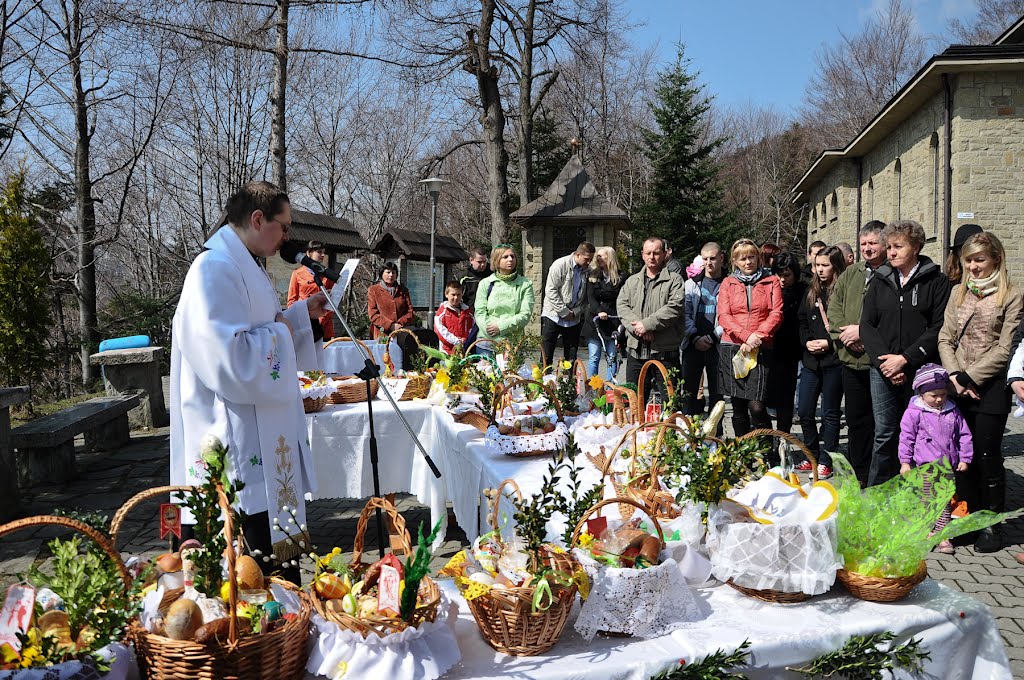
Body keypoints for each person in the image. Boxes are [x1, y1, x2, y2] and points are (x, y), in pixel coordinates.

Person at [170, 181, 326, 584]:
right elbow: (230, 360)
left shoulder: (245, 264)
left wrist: (299, 315)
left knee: (271, 574)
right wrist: (279, 333)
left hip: (256, 429)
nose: (287, 236)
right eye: (283, 225)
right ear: (258, 219)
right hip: (233, 437)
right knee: (242, 579)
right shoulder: (213, 269)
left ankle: (281, 635)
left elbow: (264, 330)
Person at [939, 231, 1023, 553]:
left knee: (987, 457)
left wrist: (971, 377)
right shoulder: (957, 292)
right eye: (969, 260)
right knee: (962, 457)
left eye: (979, 260)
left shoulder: (1011, 295)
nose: (973, 267)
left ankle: (991, 524)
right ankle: (968, 517)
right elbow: (945, 337)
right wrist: (956, 377)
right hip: (957, 383)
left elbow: (1006, 347)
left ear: (996, 260)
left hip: (990, 387)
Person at [860, 220, 951, 486]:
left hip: (921, 369)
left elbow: (938, 327)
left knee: (923, 433)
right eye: (888, 247)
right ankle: (879, 495)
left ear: (916, 247)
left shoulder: (936, 281)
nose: (891, 252)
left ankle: (921, 495)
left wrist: (905, 359)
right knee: (885, 433)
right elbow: (867, 325)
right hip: (883, 369)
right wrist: (885, 362)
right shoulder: (880, 279)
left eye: (898, 246)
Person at [829, 221, 887, 486]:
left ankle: (880, 477)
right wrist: (846, 336)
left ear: (885, 244)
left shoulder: (891, 273)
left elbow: (890, 318)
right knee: (856, 422)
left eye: (873, 243)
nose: (867, 248)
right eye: (863, 243)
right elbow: (835, 307)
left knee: (882, 426)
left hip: (878, 362)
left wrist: (863, 334)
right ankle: (858, 474)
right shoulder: (852, 273)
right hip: (849, 360)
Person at [898, 364, 973, 555]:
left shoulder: (953, 410)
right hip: (925, 468)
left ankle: (942, 534)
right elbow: (906, 438)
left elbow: (964, 434)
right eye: (934, 395)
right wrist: (905, 462)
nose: (939, 399)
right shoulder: (914, 412)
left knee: (945, 501)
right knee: (924, 501)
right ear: (921, 393)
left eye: (943, 394)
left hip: (947, 467)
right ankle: (923, 531)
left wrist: (965, 457)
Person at [717, 238, 783, 436]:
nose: (748, 262)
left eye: (752, 257)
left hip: (760, 347)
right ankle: (742, 453)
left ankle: (764, 451)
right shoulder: (728, 283)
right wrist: (746, 336)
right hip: (733, 346)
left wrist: (758, 336)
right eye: (743, 258)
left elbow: (776, 313)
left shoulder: (771, 281)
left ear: (758, 258)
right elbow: (724, 315)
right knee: (738, 409)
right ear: (734, 261)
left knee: (757, 406)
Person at [796, 245, 847, 478]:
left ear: (836, 266)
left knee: (830, 413)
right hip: (810, 361)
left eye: (825, 265)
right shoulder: (811, 292)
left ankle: (827, 458)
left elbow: (845, 324)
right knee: (805, 410)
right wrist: (807, 342)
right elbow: (802, 321)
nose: (820, 270)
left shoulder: (843, 292)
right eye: (817, 265)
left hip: (833, 360)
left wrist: (828, 342)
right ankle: (811, 454)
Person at [617, 236, 685, 392]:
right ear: (642, 254)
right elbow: (622, 306)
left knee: (670, 403)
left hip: (665, 352)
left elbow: (674, 307)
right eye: (648, 253)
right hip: (636, 351)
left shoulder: (675, 281)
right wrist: (639, 328)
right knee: (635, 402)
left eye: (656, 253)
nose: (652, 257)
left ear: (664, 254)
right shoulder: (632, 281)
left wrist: (647, 325)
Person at [681, 242, 725, 423]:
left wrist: (713, 336)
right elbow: (683, 314)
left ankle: (717, 437)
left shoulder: (730, 284)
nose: (709, 263)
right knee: (689, 394)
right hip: (693, 344)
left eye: (713, 258)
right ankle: (687, 434)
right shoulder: (691, 284)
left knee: (717, 395)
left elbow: (729, 316)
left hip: (718, 346)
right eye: (705, 259)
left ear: (721, 258)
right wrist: (693, 337)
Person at [766, 252, 807, 437]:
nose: (782, 279)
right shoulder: (768, 289)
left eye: (787, 275)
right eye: (779, 274)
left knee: (785, 401)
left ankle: (783, 438)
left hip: (791, 351)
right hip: (769, 349)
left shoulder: (803, 291)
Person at [541, 242, 595, 365]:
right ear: (578, 254)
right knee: (546, 355)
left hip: (573, 317)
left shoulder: (587, 271)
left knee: (571, 356)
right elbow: (551, 290)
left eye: (591, 260)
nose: (589, 263)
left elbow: (586, 297)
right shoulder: (559, 265)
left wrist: (575, 312)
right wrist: (563, 312)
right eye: (587, 259)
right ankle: (544, 382)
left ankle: (568, 382)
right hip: (553, 315)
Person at [474, 245, 535, 351]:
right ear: (496, 260)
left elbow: (525, 315)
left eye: (512, 256)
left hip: (513, 344)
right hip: (487, 342)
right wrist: (489, 330)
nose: (510, 259)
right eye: (505, 257)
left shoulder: (525, 284)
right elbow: (480, 311)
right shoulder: (485, 283)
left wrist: (501, 327)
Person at [583, 245, 624, 381]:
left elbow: (623, 298)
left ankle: (611, 389)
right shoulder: (593, 275)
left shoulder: (621, 277)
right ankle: (592, 388)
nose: (598, 258)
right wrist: (599, 311)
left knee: (612, 357)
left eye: (602, 255)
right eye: (598, 256)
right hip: (594, 320)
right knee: (594, 356)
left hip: (612, 321)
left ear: (610, 257)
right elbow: (590, 297)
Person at [287, 240, 335, 344]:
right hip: (303, 323)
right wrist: (299, 317)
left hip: (324, 325)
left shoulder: (328, 275)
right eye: (319, 252)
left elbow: (333, 301)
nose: (322, 255)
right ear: (309, 253)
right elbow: (291, 301)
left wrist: (322, 319)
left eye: (324, 252)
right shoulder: (297, 274)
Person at [367, 262, 414, 340]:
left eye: (393, 272)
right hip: (381, 334)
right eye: (388, 272)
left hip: (401, 333)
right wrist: (390, 325)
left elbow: (410, 312)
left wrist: (399, 324)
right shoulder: (373, 290)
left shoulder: (403, 290)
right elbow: (373, 314)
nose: (391, 275)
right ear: (382, 274)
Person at [434, 280, 474, 355]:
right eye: (453, 294)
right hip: (447, 353)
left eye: (458, 295)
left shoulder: (467, 312)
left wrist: (466, 340)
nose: (456, 298)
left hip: (464, 351)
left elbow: (472, 328)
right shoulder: (442, 313)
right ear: (446, 294)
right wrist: (457, 342)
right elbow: (441, 332)